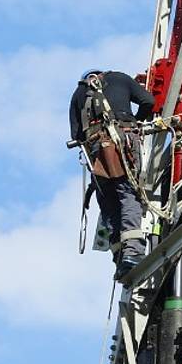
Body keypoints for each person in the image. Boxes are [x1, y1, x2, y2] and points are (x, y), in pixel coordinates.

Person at [69, 70, 155, 279]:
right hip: (122, 142)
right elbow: (148, 101)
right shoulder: (119, 78)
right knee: (129, 193)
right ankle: (132, 252)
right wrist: (136, 122)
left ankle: (120, 259)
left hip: (96, 151)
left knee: (109, 203)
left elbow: (77, 135)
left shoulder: (78, 94)